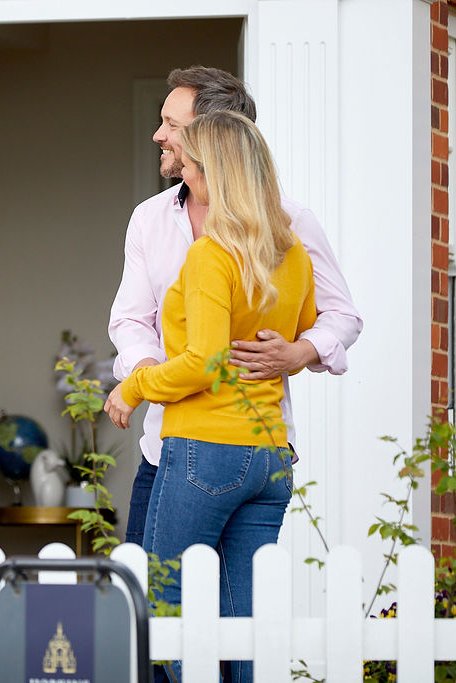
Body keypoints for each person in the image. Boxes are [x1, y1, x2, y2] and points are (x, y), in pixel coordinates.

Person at [108, 67, 362, 548]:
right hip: (166, 445)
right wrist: (149, 368)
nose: (158, 135)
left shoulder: (289, 223)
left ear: (216, 135)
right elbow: (130, 318)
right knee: (215, 608)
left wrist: (299, 353)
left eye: (173, 125)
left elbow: (338, 316)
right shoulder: (150, 218)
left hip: (238, 440)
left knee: (166, 605)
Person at [105, 110, 316, 682]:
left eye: (191, 165)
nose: (183, 175)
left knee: (164, 610)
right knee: (246, 625)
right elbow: (302, 330)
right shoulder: (290, 252)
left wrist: (135, 384)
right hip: (271, 454)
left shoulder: (209, 254)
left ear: (214, 173)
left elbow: (203, 361)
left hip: (204, 449)